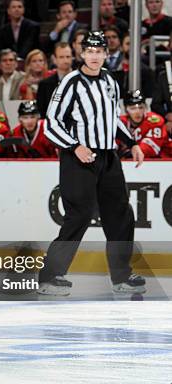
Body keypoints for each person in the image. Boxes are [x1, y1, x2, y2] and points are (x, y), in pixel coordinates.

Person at [38, 31, 145, 296]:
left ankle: (121, 276)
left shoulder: (110, 80)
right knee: (79, 215)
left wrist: (132, 142)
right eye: (90, 51)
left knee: (120, 214)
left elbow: (113, 118)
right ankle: (50, 277)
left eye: (100, 51)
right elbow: (51, 123)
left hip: (108, 157)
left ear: (106, 54)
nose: (95, 55)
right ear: (82, 53)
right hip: (78, 158)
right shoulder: (71, 82)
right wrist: (75, 146)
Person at [119, 90, 168, 158]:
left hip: (165, 161)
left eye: (141, 107)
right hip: (138, 162)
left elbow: (150, 149)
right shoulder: (120, 123)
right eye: (133, 108)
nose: (137, 112)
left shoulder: (155, 121)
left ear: (145, 108)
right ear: (126, 110)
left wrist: (127, 152)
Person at [36, 42, 73, 116]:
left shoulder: (82, 81)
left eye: (68, 57)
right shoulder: (44, 85)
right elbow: (41, 112)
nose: (65, 60)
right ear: (54, 59)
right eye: (61, 57)